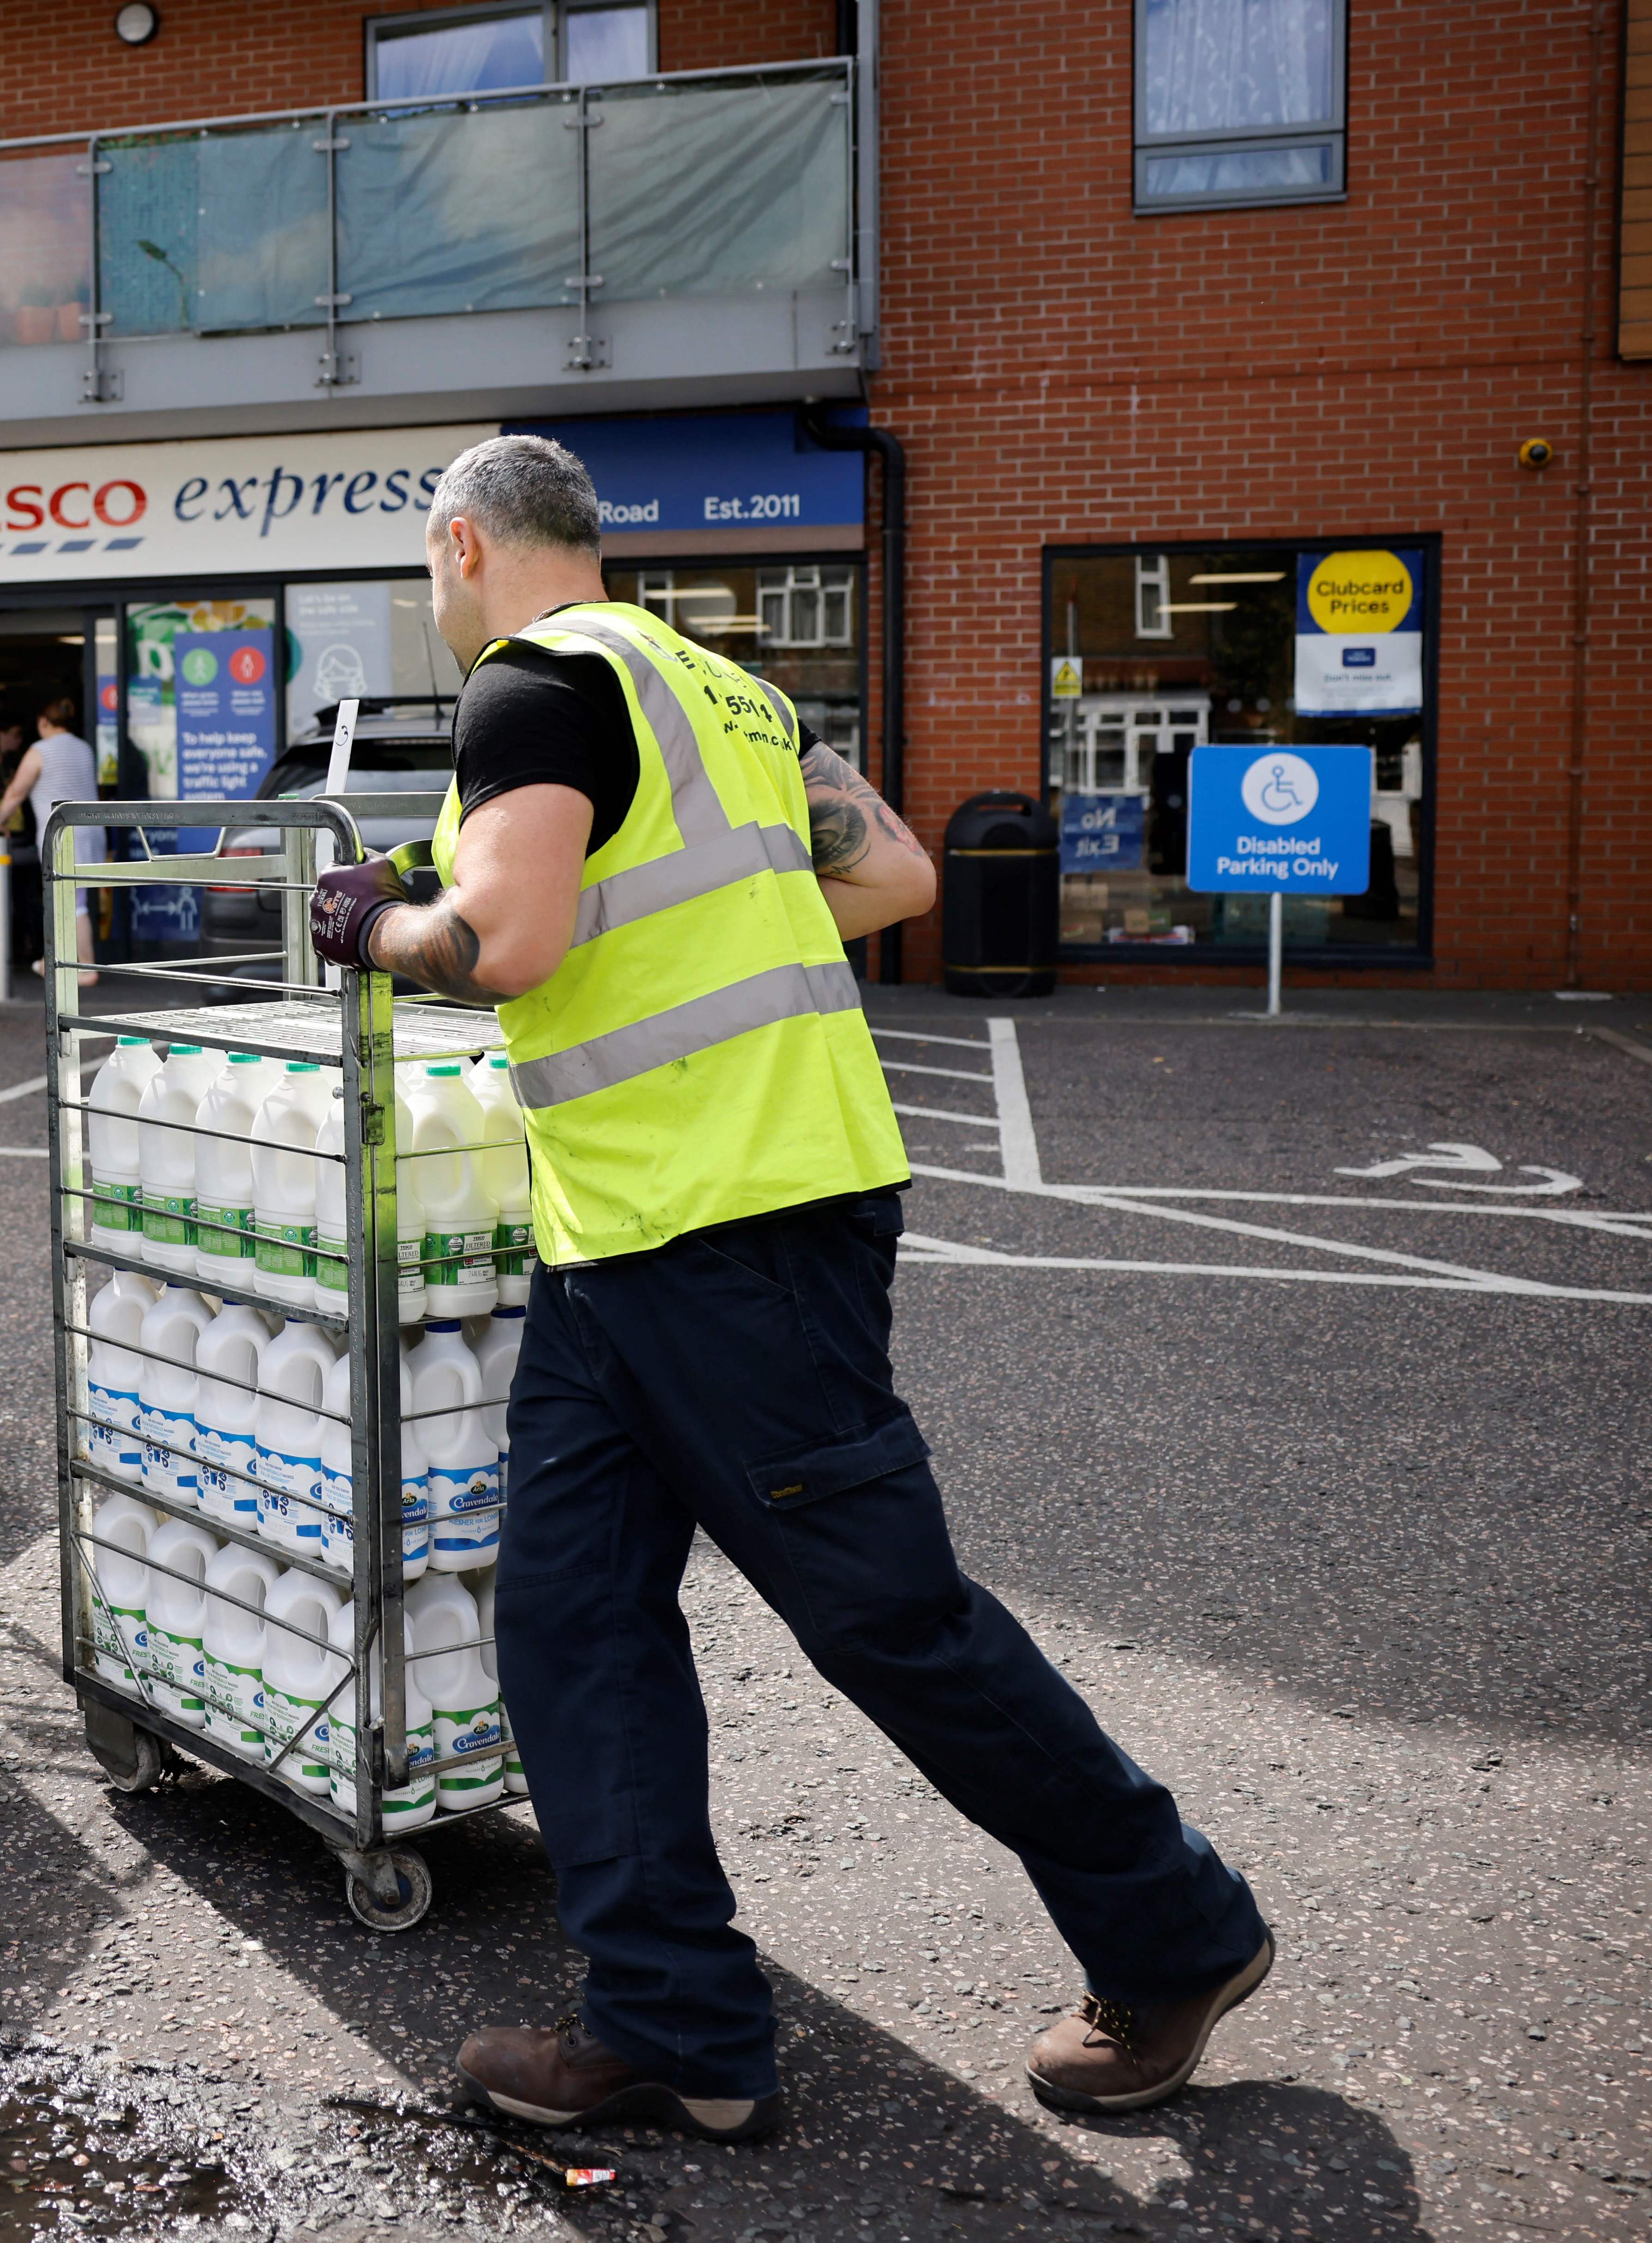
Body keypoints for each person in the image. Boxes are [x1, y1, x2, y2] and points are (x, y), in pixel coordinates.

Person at [309, 434, 1271, 2144]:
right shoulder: (730, 700)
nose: (433, 600)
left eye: (426, 571)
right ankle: (673, 2023)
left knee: (889, 1619)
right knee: (575, 1618)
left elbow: (503, 947)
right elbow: (891, 878)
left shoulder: (532, 689)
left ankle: (1176, 1927)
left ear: (462, 546)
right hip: (628, 1239)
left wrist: (370, 922)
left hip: (725, 1233)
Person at [0, 696, 98, 987]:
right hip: (91, 831)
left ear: (43, 723)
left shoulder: (40, 751)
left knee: (74, 903)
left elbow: (15, 793)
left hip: (62, 835)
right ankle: (65, 964)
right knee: (69, 899)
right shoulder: (84, 748)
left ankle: (86, 967)